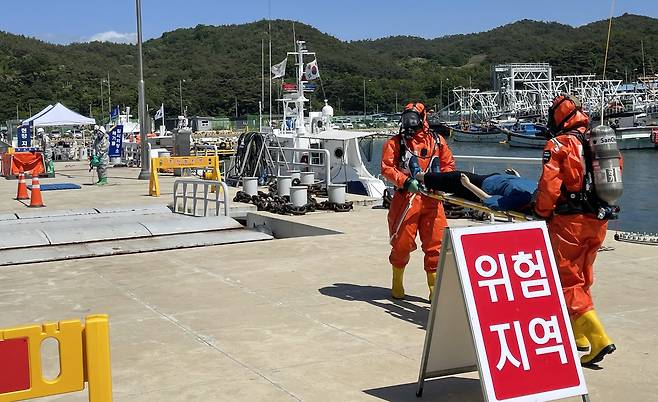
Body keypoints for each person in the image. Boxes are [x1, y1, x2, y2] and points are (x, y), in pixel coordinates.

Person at [535, 95, 617, 366]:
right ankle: (579, 333)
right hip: (599, 219)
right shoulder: (599, 141)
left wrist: (542, 213)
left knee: (565, 278)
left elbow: (549, 185)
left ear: (557, 118)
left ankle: (598, 338)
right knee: (583, 275)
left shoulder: (558, 143)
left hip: (570, 221)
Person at [381, 102, 455, 301]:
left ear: (423, 118)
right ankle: (397, 282)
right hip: (406, 199)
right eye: (406, 118)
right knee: (402, 243)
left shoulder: (437, 141)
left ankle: (434, 289)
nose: (409, 123)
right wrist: (405, 181)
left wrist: (441, 181)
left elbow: (448, 164)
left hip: (432, 198)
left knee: (435, 244)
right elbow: (387, 168)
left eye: (413, 118)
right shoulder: (395, 143)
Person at [417, 169, 537, 213]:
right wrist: (517, 176)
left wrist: (468, 185)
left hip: (481, 185)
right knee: (449, 179)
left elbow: (489, 200)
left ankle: (418, 176)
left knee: (453, 178)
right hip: (495, 178)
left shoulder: (522, 199)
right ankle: (426, 176)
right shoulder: (537, 189)